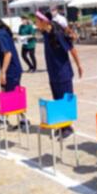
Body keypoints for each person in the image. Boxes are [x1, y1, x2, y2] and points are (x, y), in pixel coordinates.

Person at [35, 10, 83, 139]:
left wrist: (79, 65)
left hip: (63, 73)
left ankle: (68, 128)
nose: (35, 23)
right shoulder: (46, 33)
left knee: (65, 100)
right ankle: (62, 125)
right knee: (57, 100)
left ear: (44, 21)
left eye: (37, 21)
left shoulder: (57, 34)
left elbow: (71, 49)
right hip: (53, 73)